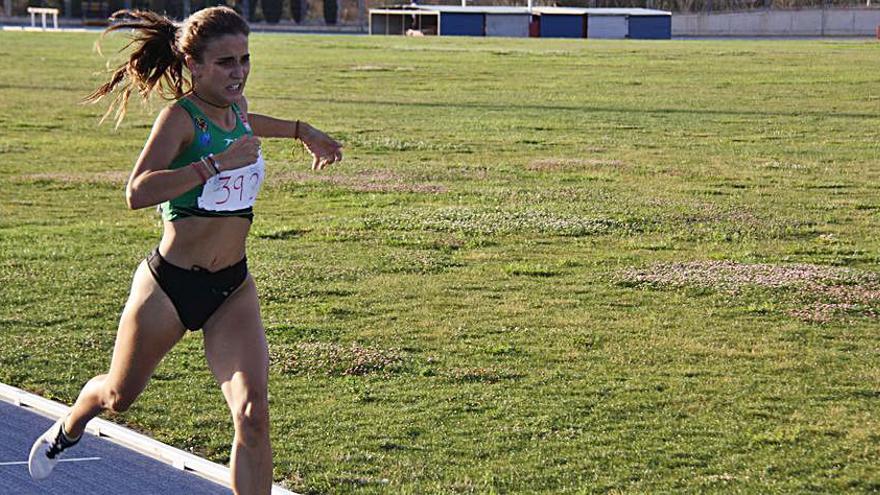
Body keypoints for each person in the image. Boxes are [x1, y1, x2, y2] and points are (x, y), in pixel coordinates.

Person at [27, 7, 342, 495]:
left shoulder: (235, 108)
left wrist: (301, 130)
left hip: (231, 286)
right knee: (118, 395)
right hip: (170, 285)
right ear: (194, 65)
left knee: (253, 413)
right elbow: (137, 192)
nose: (238, 72)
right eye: (225, 63)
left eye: (244, 59)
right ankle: (70, 425)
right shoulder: (179, 119)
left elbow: (246, 122)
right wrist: (214, 165)